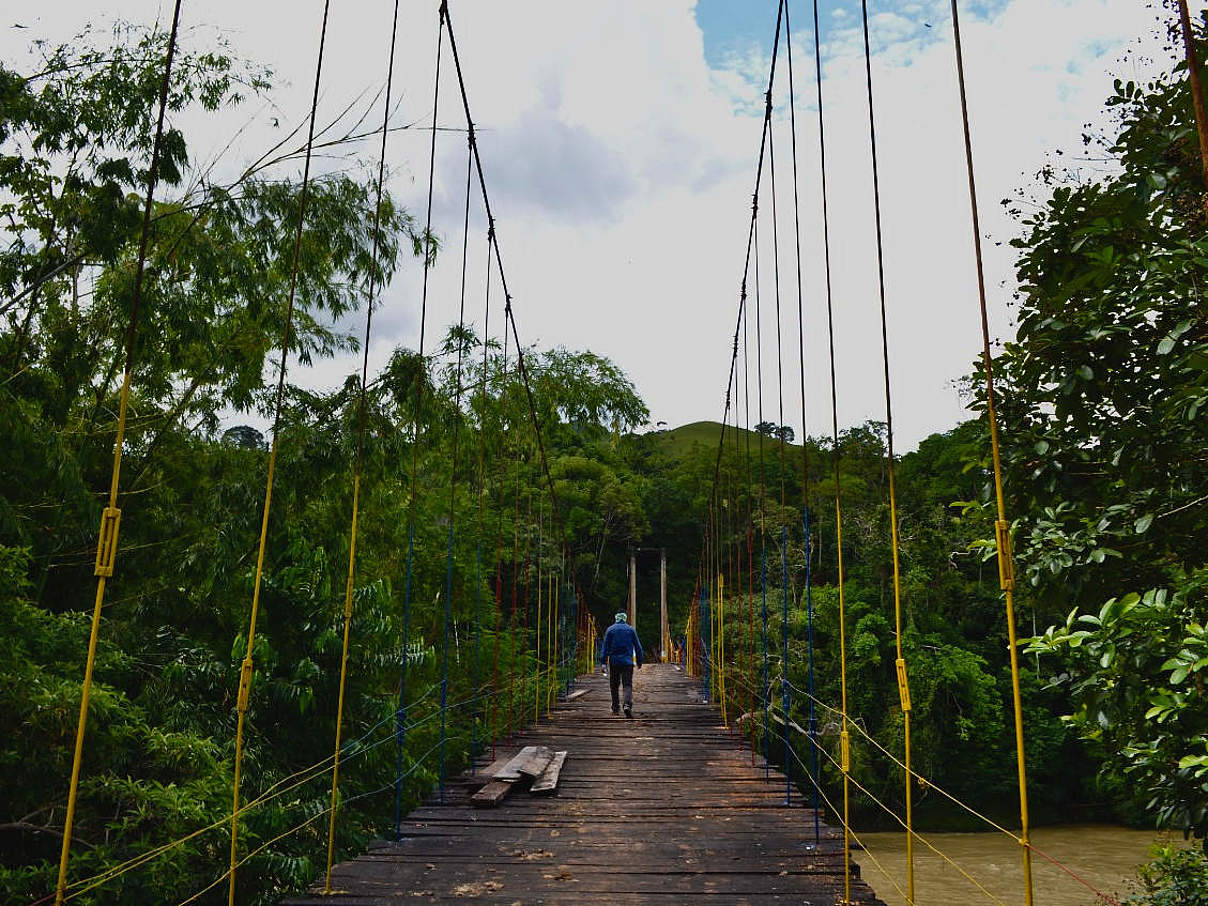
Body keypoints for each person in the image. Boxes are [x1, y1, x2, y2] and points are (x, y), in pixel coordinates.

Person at [600, 611, 644, 718]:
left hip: (614, 662)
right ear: (625, 618)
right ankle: (627, 704)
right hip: (627, 663)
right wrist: (639, 661)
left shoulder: (610, 630)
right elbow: (638, 647)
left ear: (616, 618)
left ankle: (615, 707)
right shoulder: (631, 630)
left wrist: (603, 662)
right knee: (627, 684)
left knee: (614, 685)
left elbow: (605, 647)